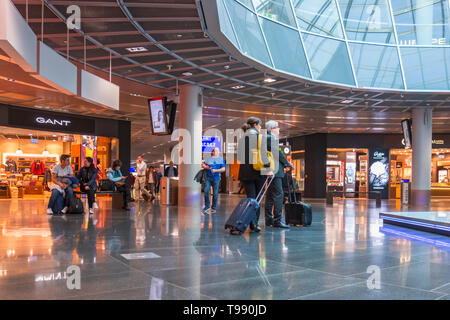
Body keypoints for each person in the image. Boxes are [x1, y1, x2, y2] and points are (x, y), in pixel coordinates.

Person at [237, 117, 273, 233]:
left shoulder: (242, 137)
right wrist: (268, 169)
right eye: (260, 125)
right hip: (257, 171)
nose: (260, 127)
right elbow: (263, 153)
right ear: (256, 124)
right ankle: (254, 223)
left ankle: (248, 222)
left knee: (250, 198)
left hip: (245, 172)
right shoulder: (258, 137)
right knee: (257, 199)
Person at [264, 121, 292, 229]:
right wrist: (287, 163)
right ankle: (277, 220)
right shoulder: (269, 138)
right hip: (275, 170)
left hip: (272, 170)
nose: (279, 129)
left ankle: (269, 220)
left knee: (270, 196)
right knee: (279, 195)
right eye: (277, 127)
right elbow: (277, 153)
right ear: (272, 129)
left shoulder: (267, 138)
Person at [202, 147, 226, 214]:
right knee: (206, 191)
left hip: (216, 178)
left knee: (215, 193)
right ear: (213, 152)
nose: (217, 152)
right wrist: (206, 167)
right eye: (216, 151)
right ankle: (207, 206)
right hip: (208, 178)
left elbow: (223, 169)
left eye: (218, 151)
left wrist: (216, 170)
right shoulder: (208, 158)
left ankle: (214, 208)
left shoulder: (221, 159)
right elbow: (203, 164)